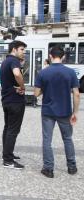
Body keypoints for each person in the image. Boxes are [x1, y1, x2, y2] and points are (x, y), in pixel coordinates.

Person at [34, 46, 80, 178]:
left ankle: (48, 169)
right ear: (63, 57)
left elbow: (36, 93)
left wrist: (45, 88)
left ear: (50, 56)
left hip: (48, 111)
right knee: (67, 139)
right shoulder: (70, 72)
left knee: (47, 140)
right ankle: (71, 167)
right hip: (65, 112)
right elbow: (76, 94)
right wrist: (75, 113)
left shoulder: (43, 73)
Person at [0, 40, 27, 169]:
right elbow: (17, 74)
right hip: (15, 101)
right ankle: (8, 160)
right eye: (22, 49)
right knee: (13, 130)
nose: (24, 52)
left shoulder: (5, 61)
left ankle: (6, 154)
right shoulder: (14, 61)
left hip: (6, 99)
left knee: (8, 128)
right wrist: (22, 87)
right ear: (14, 49)